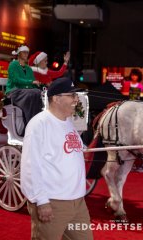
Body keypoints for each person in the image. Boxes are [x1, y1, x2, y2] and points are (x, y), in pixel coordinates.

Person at [20, 77, 93, 240]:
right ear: (56, 98)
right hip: (53, 203)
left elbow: (75, 149)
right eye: (72, 95)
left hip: (78, 203)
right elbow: (30, 166)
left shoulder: (68, 122)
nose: (76, 99)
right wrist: (41, 200)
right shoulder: (39, 124)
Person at [6, 44, 42, 127]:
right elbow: (16, 80)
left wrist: (38, 84)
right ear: (19, 53)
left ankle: (36, 122)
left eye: (27, 52)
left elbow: (32, 82)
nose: (26, 54)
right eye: (24, 52)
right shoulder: (13, 65)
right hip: (14, 91)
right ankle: (29, 124)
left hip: (25, 91)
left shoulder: (28, 68)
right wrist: (31, 82)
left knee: (38, 93)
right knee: (31, 93)